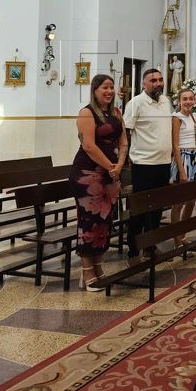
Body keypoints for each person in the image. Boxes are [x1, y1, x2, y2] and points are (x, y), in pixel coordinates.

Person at [69, 74, 127, 291]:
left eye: (112, 87)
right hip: (88, 174)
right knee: (89, 222)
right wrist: (112, 167)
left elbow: (123, 142)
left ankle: (99, 267)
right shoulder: (86, 113)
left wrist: (119, 165)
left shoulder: (116, 113)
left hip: (111, 174)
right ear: (95, 90)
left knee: (105, 222)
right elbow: (89, 146)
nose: (109, 91)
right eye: (105, 87)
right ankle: (87, 272)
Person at [123, 68, 173, 266]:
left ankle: (150, 246)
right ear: (144, 84)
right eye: (153, 81)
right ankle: (133, 251)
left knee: (157, 209)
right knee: (140, 209)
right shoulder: (136, 103)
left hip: (163, 163)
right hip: (143, 164)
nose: (158, 83)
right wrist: (125, 159)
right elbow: (126, 132)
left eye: (160, 80)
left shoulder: (166, 101)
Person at [170, 87, 196, 247]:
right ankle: (176, 240)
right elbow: (175, 145)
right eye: (184, 99)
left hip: (194, 158)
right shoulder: (176, 118)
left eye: (191, 99)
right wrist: (182, 171)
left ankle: (183, 235)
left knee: (191, 201)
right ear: (179, 101)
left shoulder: (195, 116)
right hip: (182, 158)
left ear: (194, 100)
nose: (188, 102)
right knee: (178, 202)